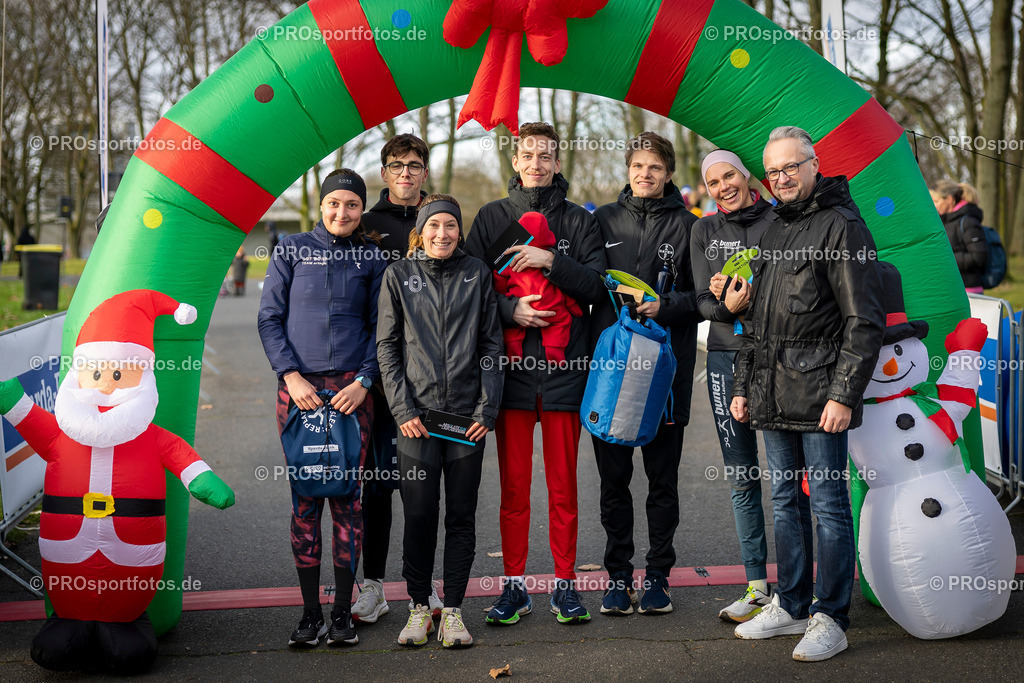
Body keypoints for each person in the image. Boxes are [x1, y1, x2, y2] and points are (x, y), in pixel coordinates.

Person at [729, 126, 884, 662]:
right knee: (783, 504)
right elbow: (758, 320)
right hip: (771, 393)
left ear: (814, 164)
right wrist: (746, 386)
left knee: (829, 508)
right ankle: (791, 603)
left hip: (821, 395)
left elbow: (864, 321)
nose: (781, 178)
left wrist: (844, 395)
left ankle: (830, 617)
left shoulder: (842, 226)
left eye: (790, 167)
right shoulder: (771, 229)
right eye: (772, 171)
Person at [464, 121, 607, 625]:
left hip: (567, 372)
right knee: (514, 490)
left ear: (557, 162)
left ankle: (566, 585)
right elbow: (471, 288)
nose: (537, 164)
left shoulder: (578, 221)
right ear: (516, 161)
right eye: (528, 155)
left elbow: (596, 289)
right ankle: (515, 586)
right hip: (514, 375)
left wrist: (550, 260)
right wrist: (511, 313)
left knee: (564, 488)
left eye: (546, 155)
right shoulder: (493, 217)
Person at [258, 169, 387, 648]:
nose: (342, 212)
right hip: (298, 392)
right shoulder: (291, 249)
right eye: (335, 202)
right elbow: (269, 317)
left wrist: (365, 380)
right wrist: (290, 376)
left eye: (352, 205)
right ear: (321, 203)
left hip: (353, 395)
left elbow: (382, 329)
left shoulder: (372, 258)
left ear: (361, 209)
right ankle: (309, 613)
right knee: (306, 499)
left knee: (348, 501)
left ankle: (341, 614)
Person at [376, 194, 504, 648]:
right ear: (421, 232)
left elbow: (492, 346)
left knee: (461, 517)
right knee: (418, 513)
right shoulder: (398, 275)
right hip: (418, 421)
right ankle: (417, 607)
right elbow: (387, 348)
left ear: (459, 231)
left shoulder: (477, 274)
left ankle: (452, 612)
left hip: (466, 422)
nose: (442, 234)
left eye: (450, 226)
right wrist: (402, 410)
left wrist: (486, 411)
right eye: (434, 226)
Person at [591, 131, 700, 616]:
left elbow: (704, 301)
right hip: (614, 379)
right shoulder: (603, 220)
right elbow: (587, 285)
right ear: (628, 170)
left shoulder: (691, 226)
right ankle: (618, 577)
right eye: (638, 166)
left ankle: (657, 576)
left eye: (655, 167)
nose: (645, 174)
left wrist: (666, 305)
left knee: (662, 482)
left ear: (669, 173)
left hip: (666, 380)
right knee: (614, 484)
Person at [352, 133, 444, 623]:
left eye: (414, 165)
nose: (406, 173)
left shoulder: (441, 221)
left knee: (419, 489)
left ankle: (419, 586)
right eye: (396, 165)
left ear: (424, 172)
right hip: (376, 375)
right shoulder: (365, 225)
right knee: (376, 487)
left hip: (427, 380)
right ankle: (371, 585)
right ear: (384, 173)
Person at [690, 149, 776, 622]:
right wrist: (727, 303)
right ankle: (756, 586)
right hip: (726, 356)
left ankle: (800, 585)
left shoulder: (779, 219)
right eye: (713, 181)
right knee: (743, 474)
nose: (723, 187)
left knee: (790, 473)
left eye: (730, 176)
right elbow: (704, 303)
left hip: (779, 355)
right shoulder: (704, 229)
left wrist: (750, 297)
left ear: (746, 177)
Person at [494, 211, 581, 363]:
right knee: (561, 320)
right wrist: (573, 306)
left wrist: (504, 299)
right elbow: (564, 290)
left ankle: (513, 351)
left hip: (517, 300)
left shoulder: (511, 259)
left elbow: (499, 277)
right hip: (551, 306)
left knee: (513, 330)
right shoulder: (553, 258)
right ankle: (555, 350)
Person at [930, 179, 986, 293]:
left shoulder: (968, 222)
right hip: (952, 288)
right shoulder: (945, 221)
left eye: (936, 201)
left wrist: (946, 257)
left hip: (969, 291)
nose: (933, 205)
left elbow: (979, 257)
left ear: (950, 199)